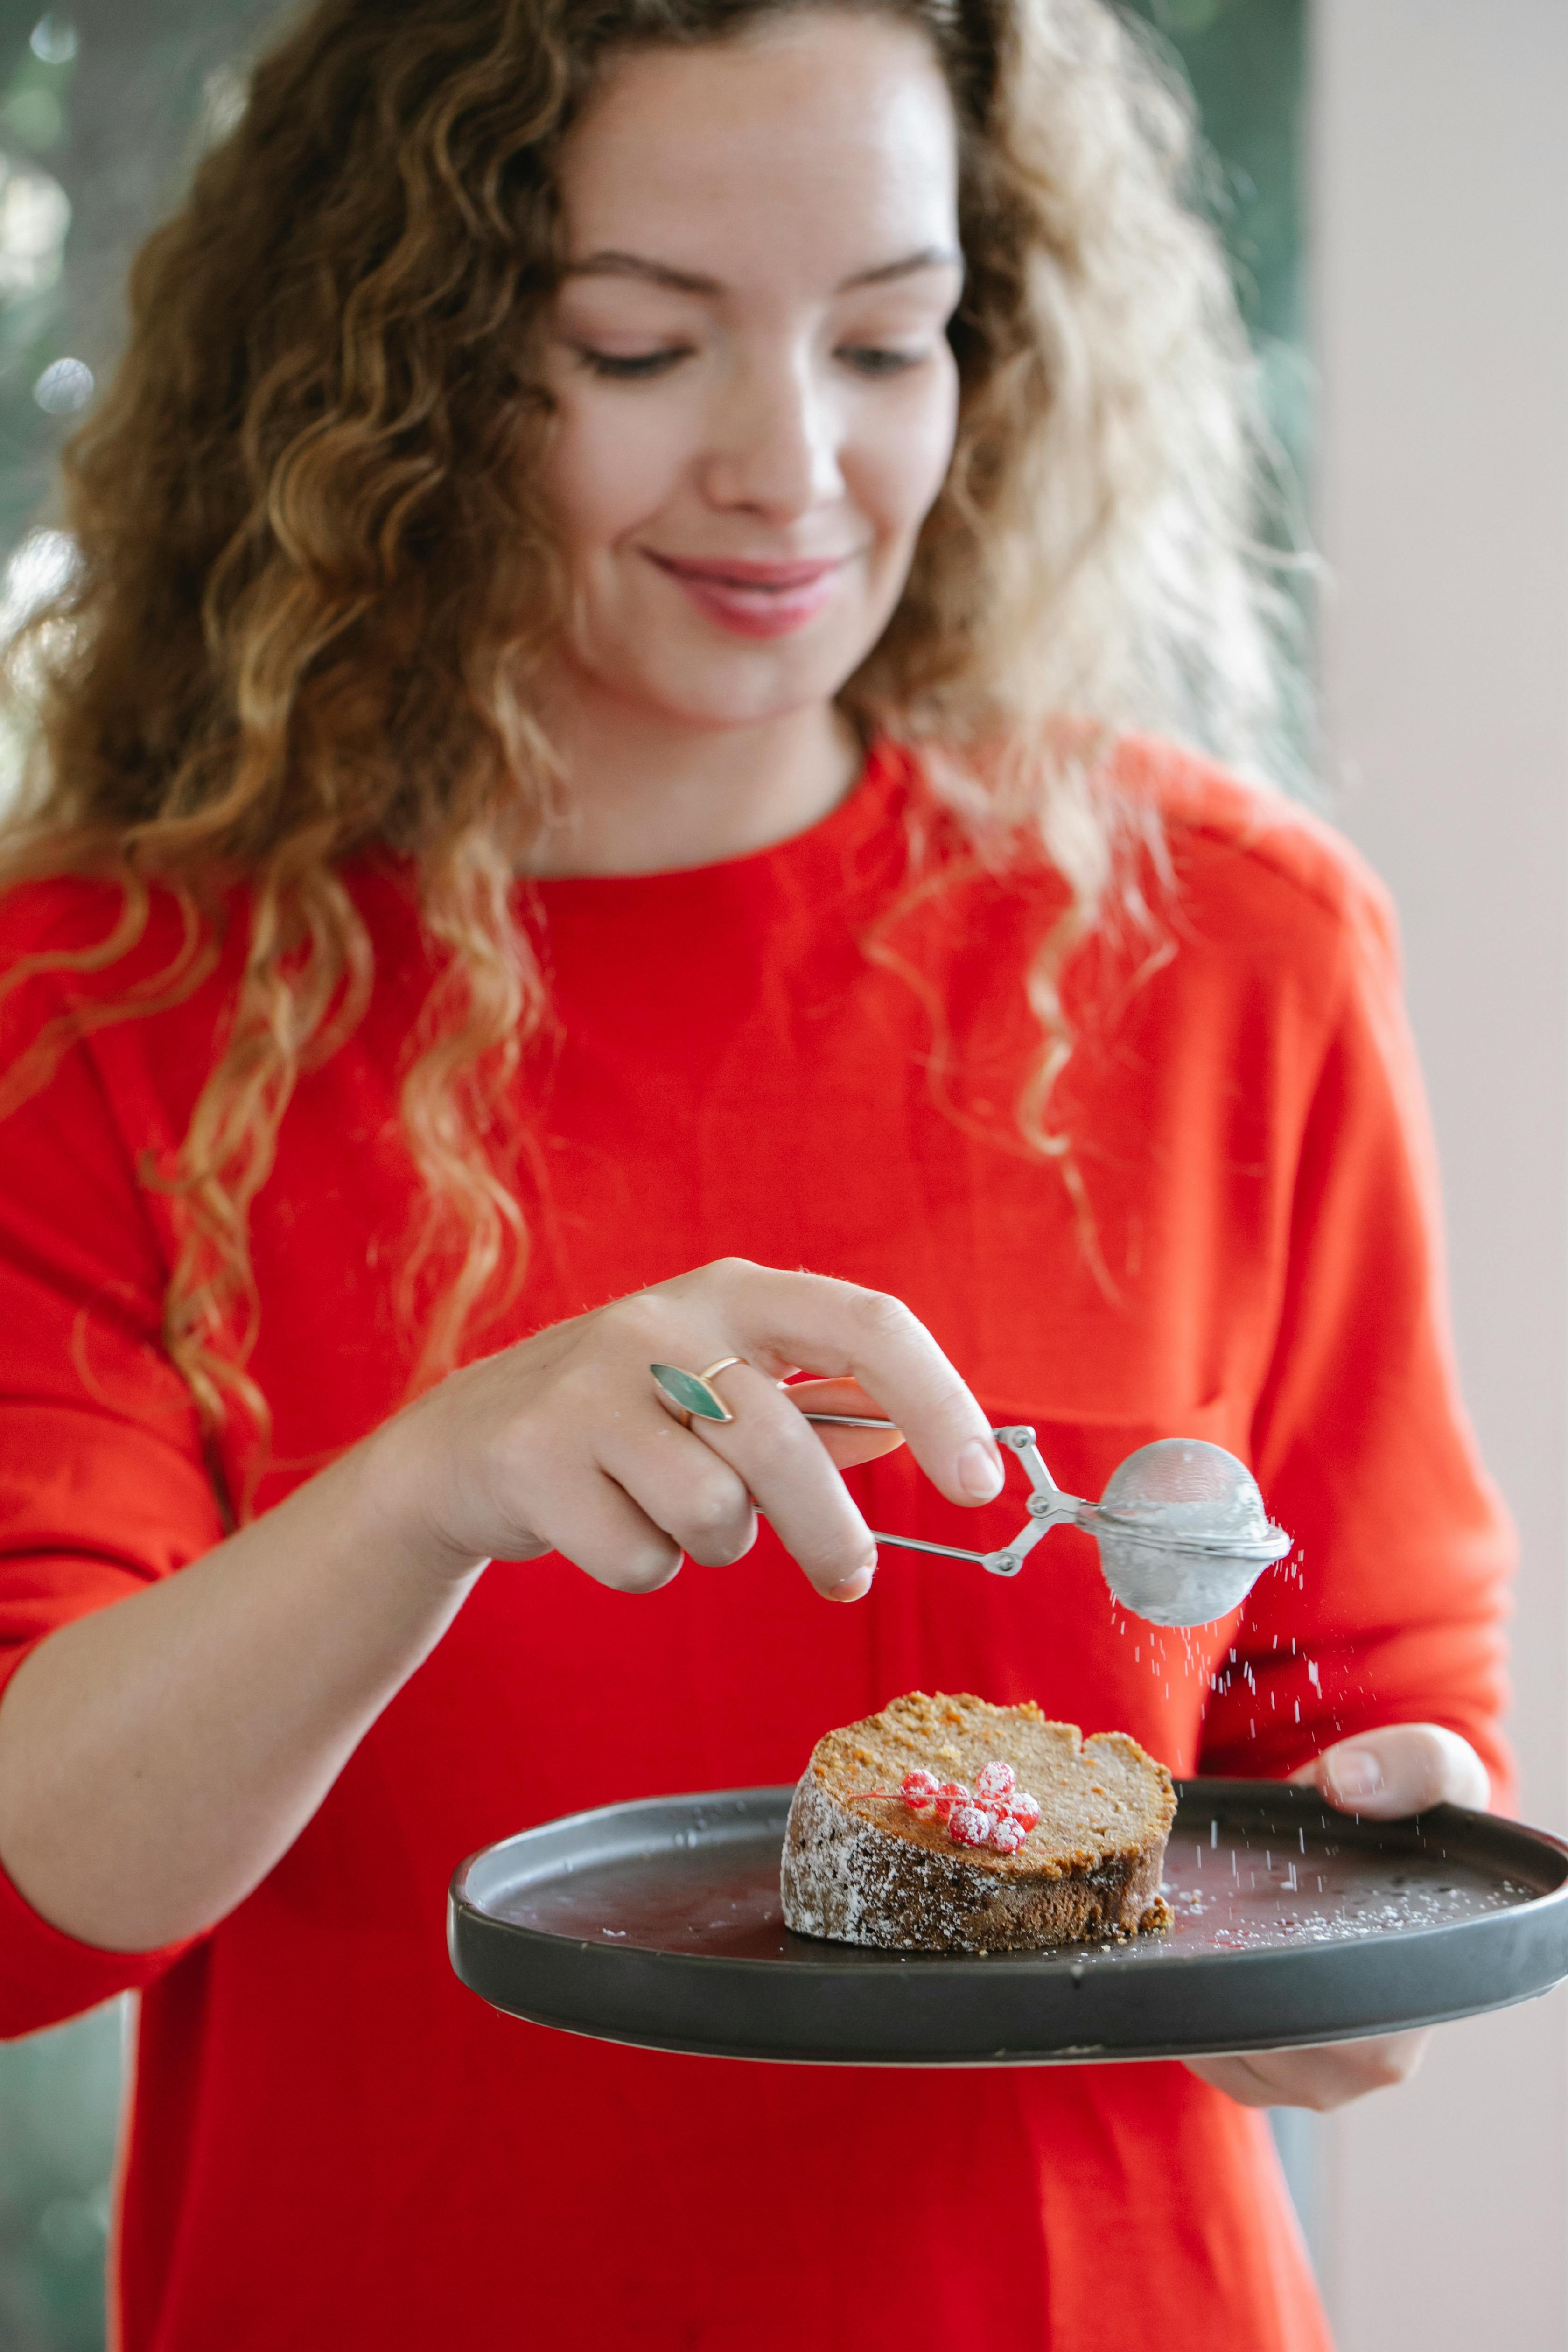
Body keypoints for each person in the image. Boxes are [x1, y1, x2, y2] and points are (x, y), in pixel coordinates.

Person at [0, 0, 1509, 2345]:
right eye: (636, 346)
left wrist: (1362, 1908)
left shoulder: (1233, 948)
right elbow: (32, 1908)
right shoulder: (103, 997)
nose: (794, 467)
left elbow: (1354, 1704)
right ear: (395, 362)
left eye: (891, 340)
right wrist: (424, 1491)